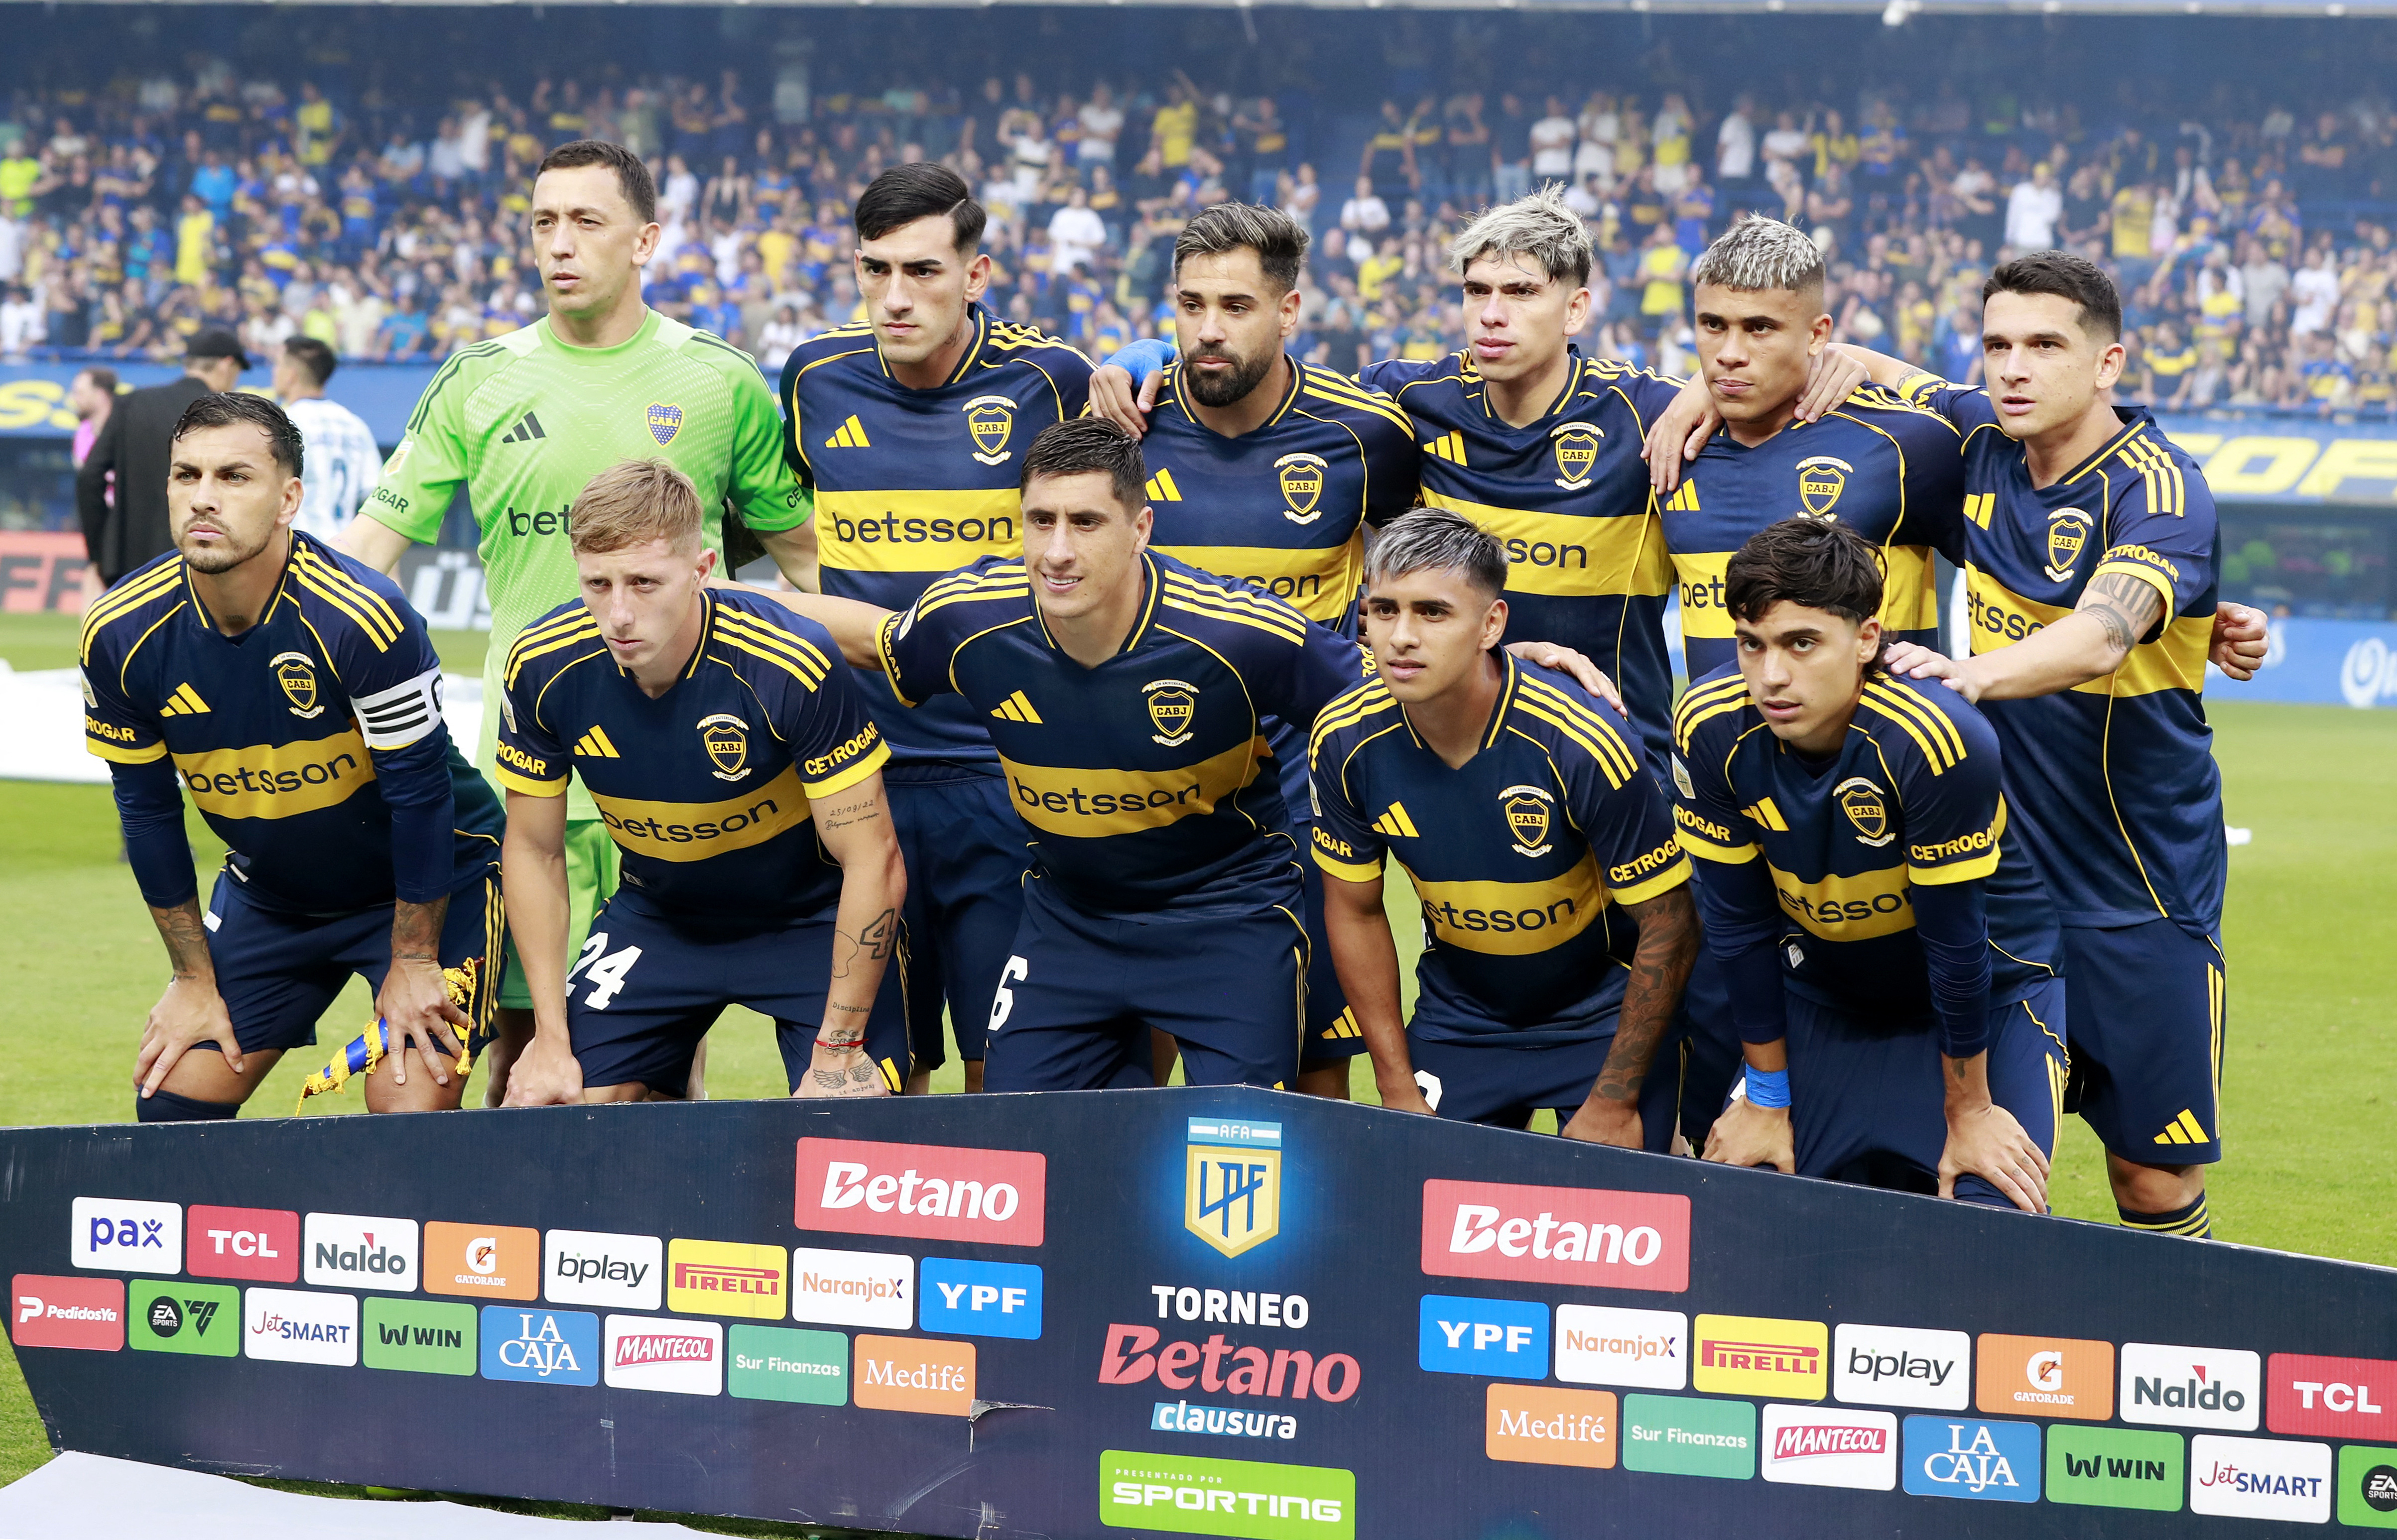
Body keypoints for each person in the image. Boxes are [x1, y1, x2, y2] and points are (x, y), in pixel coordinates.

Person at [339, 140, 811, 1105]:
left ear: (646, 240)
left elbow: (806, 563)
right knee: (525, 1058)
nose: (560, 244)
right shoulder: (478, 378)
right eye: (544, 223)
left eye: (586, 222)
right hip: (529, 776)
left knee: (659, 1061)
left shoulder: (721, 383)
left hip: (687, 778)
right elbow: (366, 560)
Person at [1819, 253, 2237, 1239]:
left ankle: (2167, 1371)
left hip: (2141, 890)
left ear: (2107, 363)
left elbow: (2099, 635)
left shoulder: (2161, 492)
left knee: (2152, 1179)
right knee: (1982, 1170)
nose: (2015, 366)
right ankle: (1980, 1380)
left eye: (2046, 345)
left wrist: (1971, 675)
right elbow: (1860, 361)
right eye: (1998, 343)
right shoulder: (1979, 439)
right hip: (2000, 889)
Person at [79, 392, 504, 1120]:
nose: (204, 498)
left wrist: (412, 962)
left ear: (288, 499)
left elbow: (422, 797)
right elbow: (147, 813)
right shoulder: (119, 632)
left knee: (406, 1108)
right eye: (187, 476)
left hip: (434, 884)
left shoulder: (363, 618)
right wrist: (190, 978)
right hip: (273, 897)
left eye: (234, 477)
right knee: (174, 1100)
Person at [1086, 203, 1421, 1093]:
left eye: (1235, 306)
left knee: (1313, 1059)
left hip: (1308, 797)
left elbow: (1408, 591)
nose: (1205, 330)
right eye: (1189, 305)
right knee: (1132, 1050)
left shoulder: (1367, 436)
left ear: (1289, 310)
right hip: (1152, 785)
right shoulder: (1126, 428)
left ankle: (1324, 1231)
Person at [775, 163, 1095, 1097]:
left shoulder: (1051, 379)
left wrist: (1149, 346)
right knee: (876, 1067)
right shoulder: (814, 377)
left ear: (976, 273)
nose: (894, 295)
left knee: (1006, 1070)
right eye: (874, 271)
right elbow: (775, 528)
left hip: (1007, 774)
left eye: (921, 271)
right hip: (855, 773)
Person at [1677, 517, 2064, 1212]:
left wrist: (1970, 1112)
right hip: (1826, 998)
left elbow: (1954, 944)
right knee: (1746, 1214)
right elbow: (1736, 925)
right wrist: (1766, 1098)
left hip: (1989, 999)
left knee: (1987, 1222)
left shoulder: (1935, 735)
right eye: (1751, 645)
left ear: (1866, 639)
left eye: (1802, 644)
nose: (1771, 676)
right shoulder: (1709, 725)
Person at [496, 461, 906, 1105]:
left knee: (851, 1121)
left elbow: (872, 859)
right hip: (660, 918)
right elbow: (533, 849)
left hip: (810, 921)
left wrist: (839, 1047)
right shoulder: (544, 664)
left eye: (644, 582)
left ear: (702, 569)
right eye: (597, 584)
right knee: (552, 1104)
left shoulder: (788, 661)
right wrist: (550, 1037)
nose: (619, 613)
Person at [1312, 509, 1697, 1147]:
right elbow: (1354, 912)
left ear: (1491, 624)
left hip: (1601, 1020)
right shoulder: (1345, 737)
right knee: (1420, 1218)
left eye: (1432, 613)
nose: (1401, 636)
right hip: (1461, 1020)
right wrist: (1397, 1088)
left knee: (1618, 1227)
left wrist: (1614, 1099)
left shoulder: (1581, 740)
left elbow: (1670, 921)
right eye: (1384, 611)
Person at [78, 330, 247, 587]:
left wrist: (100, 551)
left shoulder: (131, 403)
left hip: (129, 562)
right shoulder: (226, 413)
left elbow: (90, 476)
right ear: (227, 364)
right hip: (201, 561)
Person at [273, 337, 382, 543]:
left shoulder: (282, 423)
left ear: (291, 375)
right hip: (344, 555)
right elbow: (375, 498)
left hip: (298, 552)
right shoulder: (356, 426)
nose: (274, 372)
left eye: (278, 364)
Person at [68, 365, 116, 469]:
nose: (74, 399)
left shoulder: (127, 431)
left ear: (101, 394)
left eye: (80, 393)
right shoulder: (82, 432)